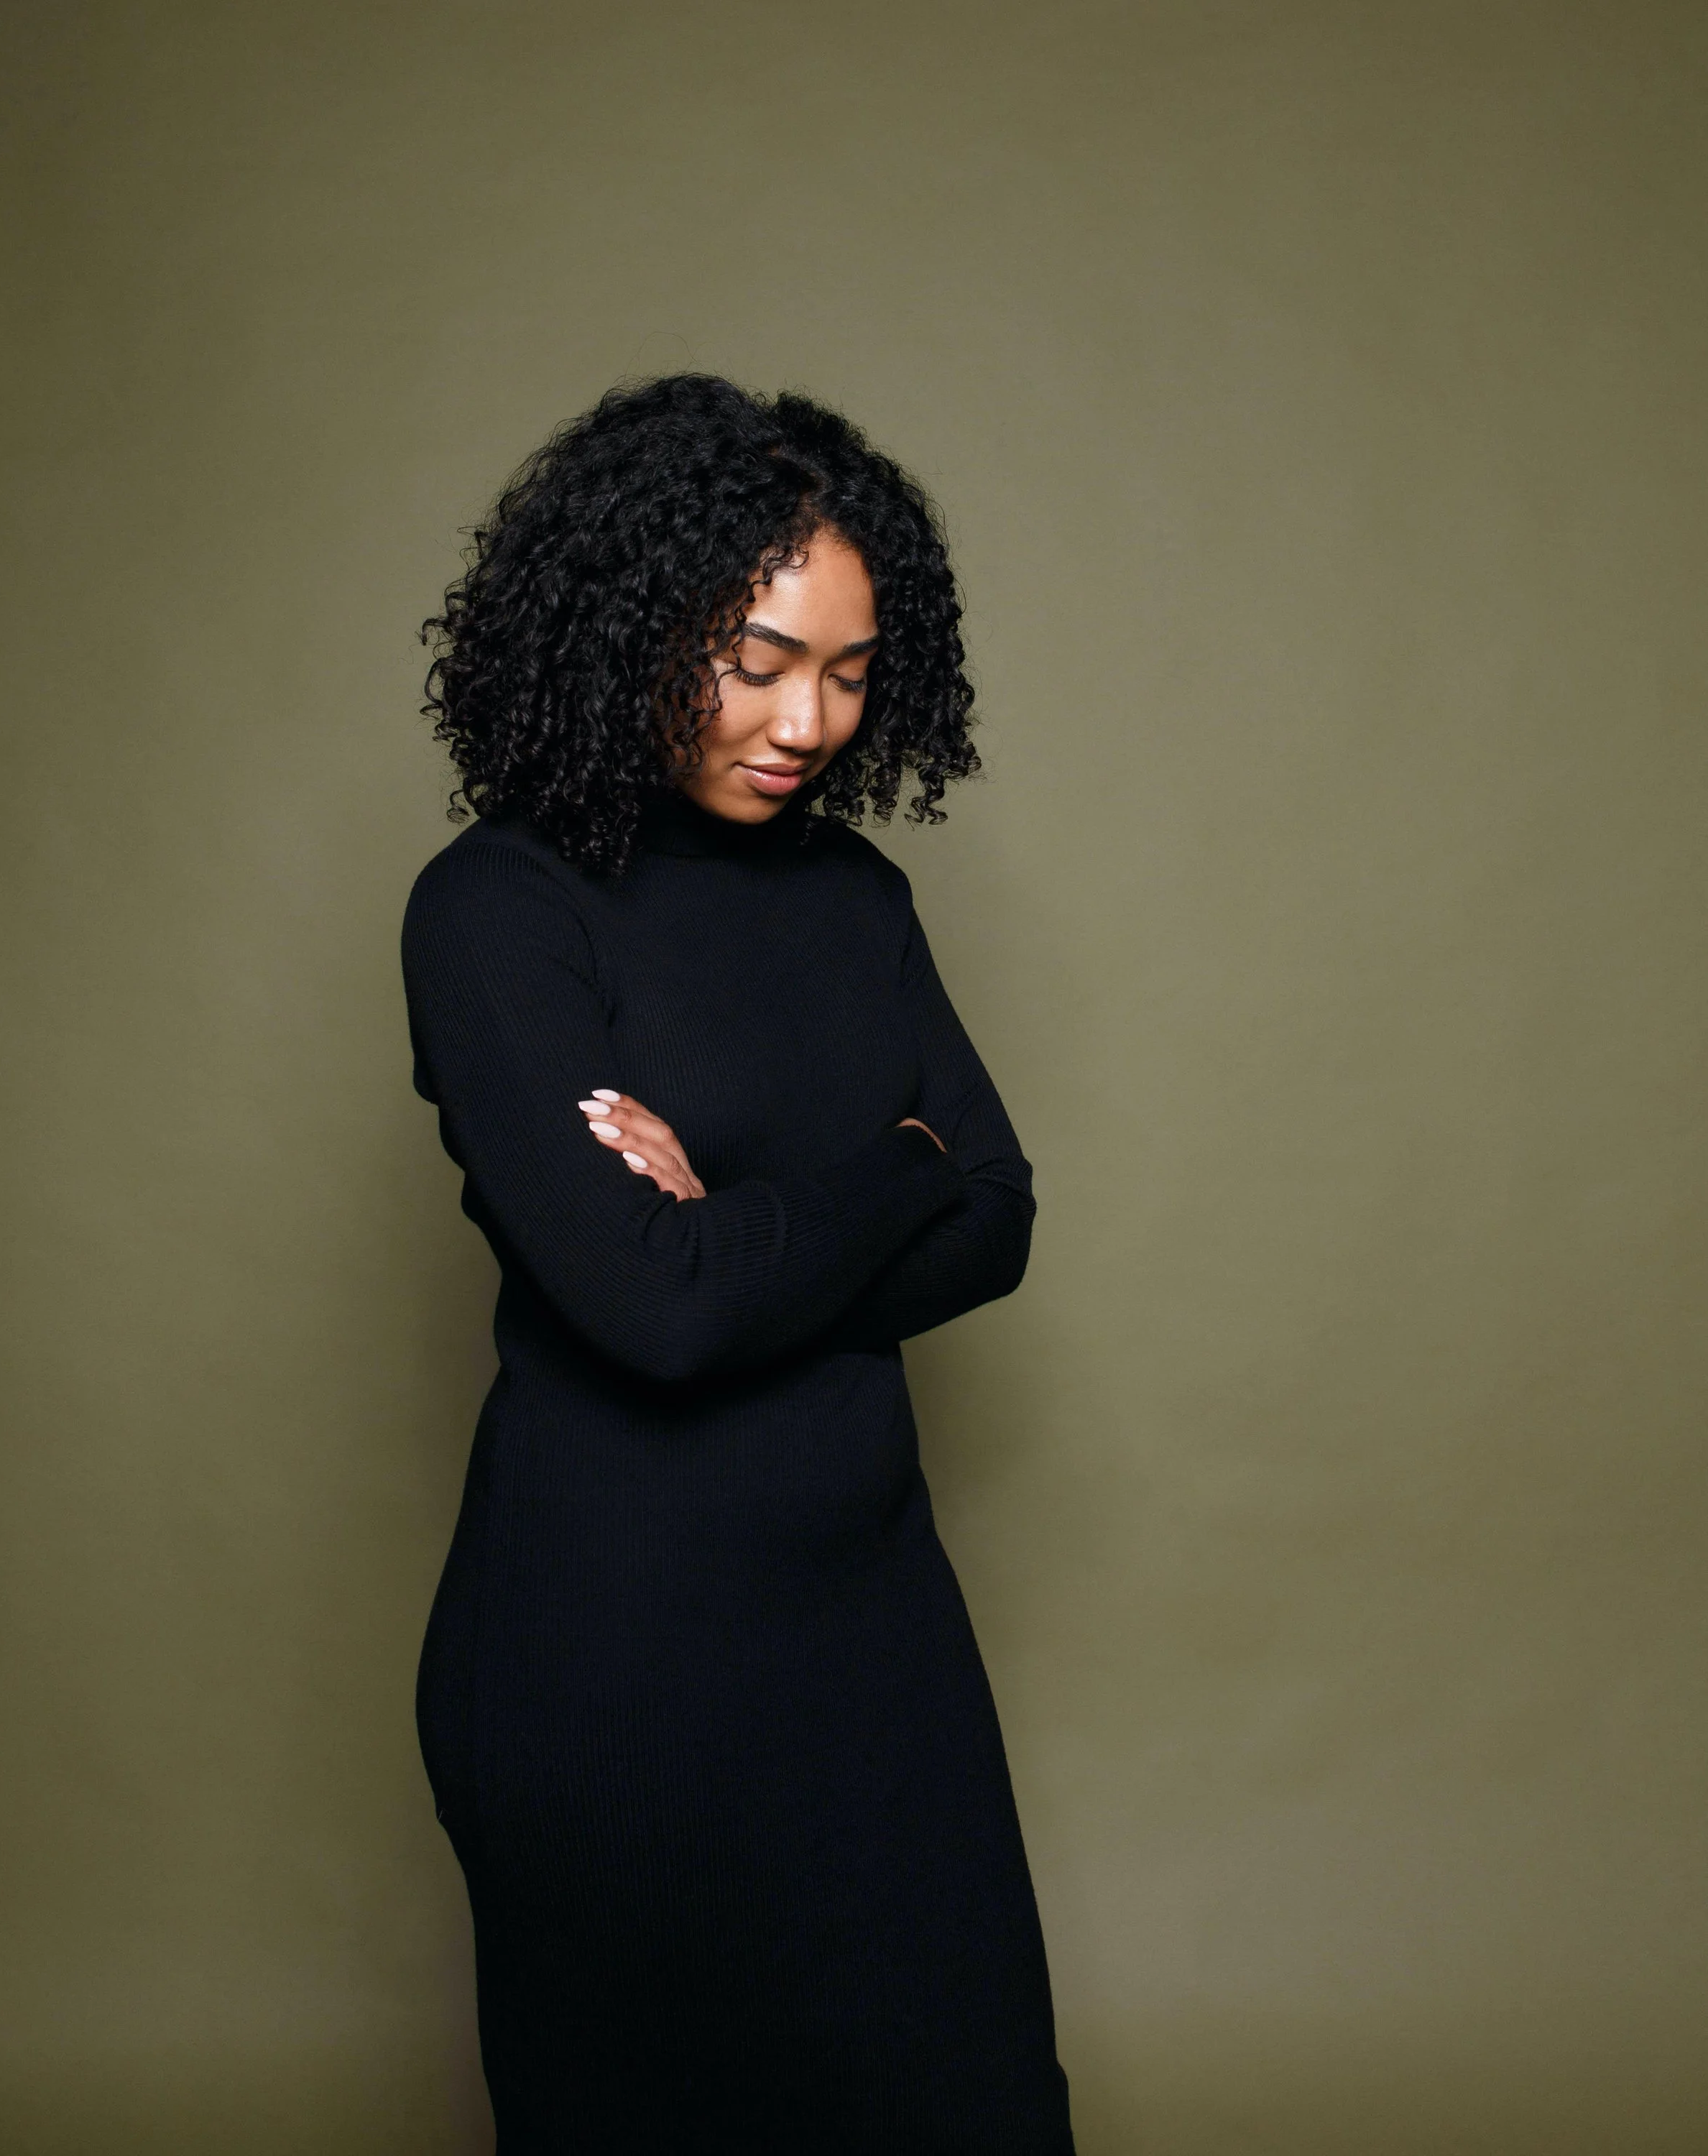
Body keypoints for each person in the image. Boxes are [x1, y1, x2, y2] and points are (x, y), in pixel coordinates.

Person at [402, 374, 1073, 2151]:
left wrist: (740, 1223)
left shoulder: (857, 902)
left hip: (875, 1651)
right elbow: (655, 1313)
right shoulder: (498, 910)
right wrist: (887, 1173)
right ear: (626, 623)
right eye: (760, 658)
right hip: (605, 1669)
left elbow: (997, 1219)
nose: (808, 720)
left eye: (852, 673)